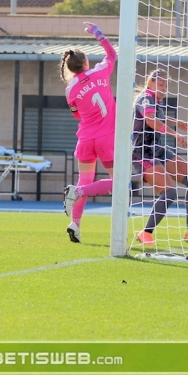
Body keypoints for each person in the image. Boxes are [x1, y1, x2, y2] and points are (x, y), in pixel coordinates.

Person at [134, 68, 188, 246]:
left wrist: (176, 122)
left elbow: (159, 116)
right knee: (170, 192)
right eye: (160, 84)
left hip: (159, 150)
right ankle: (145, 233)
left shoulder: (156, 101)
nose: (163, 88)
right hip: (143, 152)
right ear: (150, 82)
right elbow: (151, 120)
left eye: (166, 85)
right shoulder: (145, 98)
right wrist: (175, 134)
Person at [61, 22, 117, 244]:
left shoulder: (70, 90)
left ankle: (75, 223)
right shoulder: (101, 71)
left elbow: (76, 114)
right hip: (105, 139)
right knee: (118, 181)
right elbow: (112, 54)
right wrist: (98, 33)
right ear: (85, 62)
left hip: (85, 138)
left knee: (85, 178)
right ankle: (79, 192)